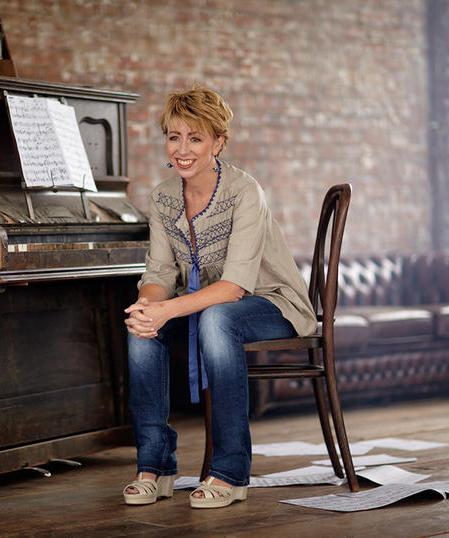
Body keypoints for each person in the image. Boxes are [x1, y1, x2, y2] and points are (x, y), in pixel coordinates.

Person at [122, 86, 317, 509]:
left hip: (272, 303)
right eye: (174, 137)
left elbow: (234, 288)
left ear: (218, 143)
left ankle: (229, 472)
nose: (183, 149)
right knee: (141, 327)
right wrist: (148, 308)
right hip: (203, 304)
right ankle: (154, 465)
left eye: (196, 138)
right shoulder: (163, 196)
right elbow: (158, 272)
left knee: (217, 317)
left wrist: (165, 309)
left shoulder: (246, 192)